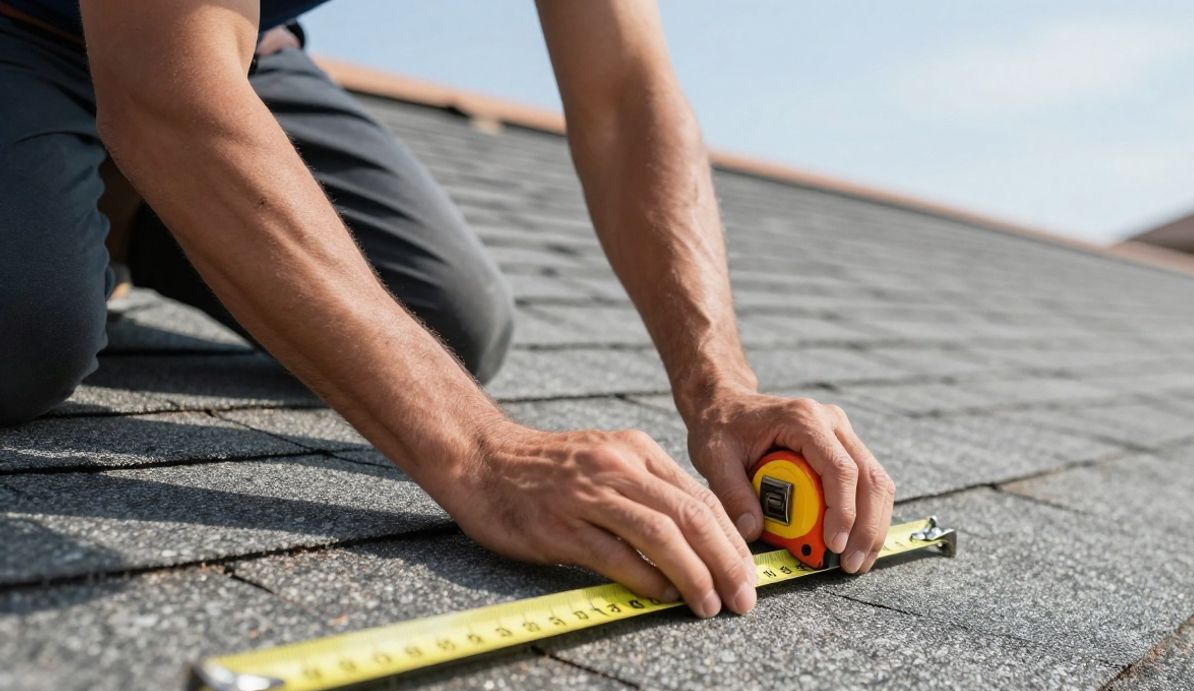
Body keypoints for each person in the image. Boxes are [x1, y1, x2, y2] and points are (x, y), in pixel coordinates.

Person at [0, 0, 895, 618]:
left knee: (447, 321)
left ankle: (123, 198)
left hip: (232, 48)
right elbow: (165, 85)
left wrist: (719, 388)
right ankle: (101, 181)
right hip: (52, 31)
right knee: (27, 332)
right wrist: (479, 450)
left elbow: (624, 93)